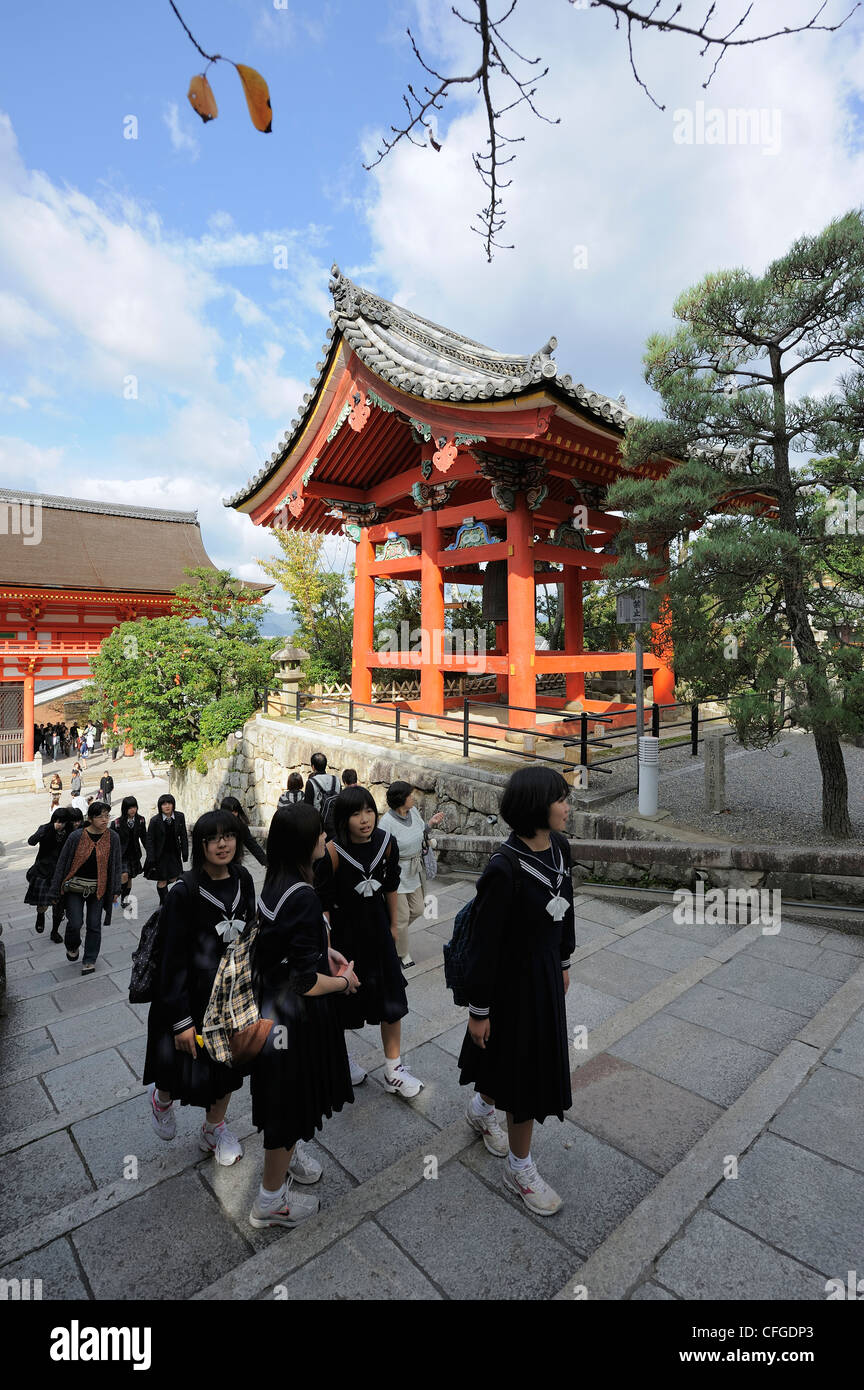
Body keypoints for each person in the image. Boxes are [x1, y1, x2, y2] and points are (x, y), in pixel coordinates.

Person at [457, 766, 575, 1217]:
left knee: (510, 1061)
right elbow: (483, 948)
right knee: (523, 1075)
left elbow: (567, 910)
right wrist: (479, 1010)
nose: (567, 807)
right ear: (535, 806)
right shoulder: (503, 868)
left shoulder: (560, 848)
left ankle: (481, 1108)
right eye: (560, 799)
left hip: (545, 974)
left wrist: (564, 959)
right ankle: (519, 1168)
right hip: (509, 986)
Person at [248, 802, 358, 1228]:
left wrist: (321, 949)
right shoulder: (306, 896)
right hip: (292, 1019)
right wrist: (345, 982)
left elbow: (281, 946)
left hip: (272, 1009)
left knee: (283, 1102)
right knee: (287, 1107)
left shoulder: (276, 883)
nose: (326, 840)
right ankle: (269, 1202)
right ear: (304, 843)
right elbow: (305, 982)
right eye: (320, 834)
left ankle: (286, 1162)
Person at [143, 809, 254, 1165]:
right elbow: (171, 959)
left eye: (229, 836)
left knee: (226, 1070)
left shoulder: (244, 878)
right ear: (200, 844)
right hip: (190, 996)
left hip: (231, 995)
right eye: (213, 838)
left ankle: (213, 1129)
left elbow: (252, 934)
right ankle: (161, 1100)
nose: (222, 844)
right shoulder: (183, 891)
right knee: (176, 1070)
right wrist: (180, 1020)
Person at [315, 785, 423, 1098]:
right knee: (343, 1003)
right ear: (343, 819)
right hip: (346, 940)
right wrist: (327, 945)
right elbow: (323, 902)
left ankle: (394, 1070)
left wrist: (393, 925)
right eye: (355, 814)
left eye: (368, 811)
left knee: (392, 1000)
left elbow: (391, 885)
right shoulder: (333, 853)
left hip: (378, 933)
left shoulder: (387, 843)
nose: (365, 819)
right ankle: (342, 1061)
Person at [49, 801, 122, 976]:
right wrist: (54, 889)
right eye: (100, 816)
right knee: (75, 922)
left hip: (98, 887)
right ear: (90, 819)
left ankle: (89, 959)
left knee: (94, 924)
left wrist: (116, 890)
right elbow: (62, 863)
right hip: (74, 887)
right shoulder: (76, 836)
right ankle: (72, 945)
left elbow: (116, 865)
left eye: (107, 816)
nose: (105, 820)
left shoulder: (113, 837)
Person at [379, 781, 444, 968]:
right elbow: (382, 849)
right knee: (400, 916)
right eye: (410, 795)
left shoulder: (413, 812)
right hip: (396, 873)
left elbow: (420, 831)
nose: (413, 797)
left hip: (415, 870)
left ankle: (392, 935)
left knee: (417, 910)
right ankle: (402, 954)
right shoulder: (386, 823)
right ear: (401, 800)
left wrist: (431, 824)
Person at [25, 808, 72, 941]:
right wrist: (47, 829)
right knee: (43, 904)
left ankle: (54, 932)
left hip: (60, 873)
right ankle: (41, 914)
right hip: (44, 871)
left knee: (58, 906)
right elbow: (31, 841)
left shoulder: (69, 831)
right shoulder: (45, 828)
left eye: (63, 822)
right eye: (57, 821)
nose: (60, 825)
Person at [143, 795, 189, 904]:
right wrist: (151, 857)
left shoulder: (180, 816)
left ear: (173, 804)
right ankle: (163, 903)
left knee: (176, 877)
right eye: (164, 804)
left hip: (174, 853)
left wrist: (185, 852)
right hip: (160, 855)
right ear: (160, 807)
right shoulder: (155, 820)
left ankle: (171, 897)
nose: (167, 806)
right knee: (162, 880)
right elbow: (150, 840)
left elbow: (183, 835)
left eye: (169, 803)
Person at [111, 796, 147, 908]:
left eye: (134, 807)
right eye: (130, 807)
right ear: (124, 808)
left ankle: (124, 899)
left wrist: (150, 852)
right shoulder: (116, 823)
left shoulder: (141, 820)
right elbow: (112, 841)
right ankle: (117, 892)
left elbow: (144, 837)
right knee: (124, 876)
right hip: (122, 854)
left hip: (134, 853)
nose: (132, 810)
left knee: (130, 877)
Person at [219, 796, 267, 866]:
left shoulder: (241, 826)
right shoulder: (216, 826)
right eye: (231, 812)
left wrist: (266, 863)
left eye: (236, 811)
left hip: (235, 864)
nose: (234, 814)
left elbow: (252, 845)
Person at [304, 753, 339, 817]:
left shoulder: (311, 782)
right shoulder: (336, 780)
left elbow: (307, 808)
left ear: (313, 767)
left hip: (318, 821)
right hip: (335, 819)